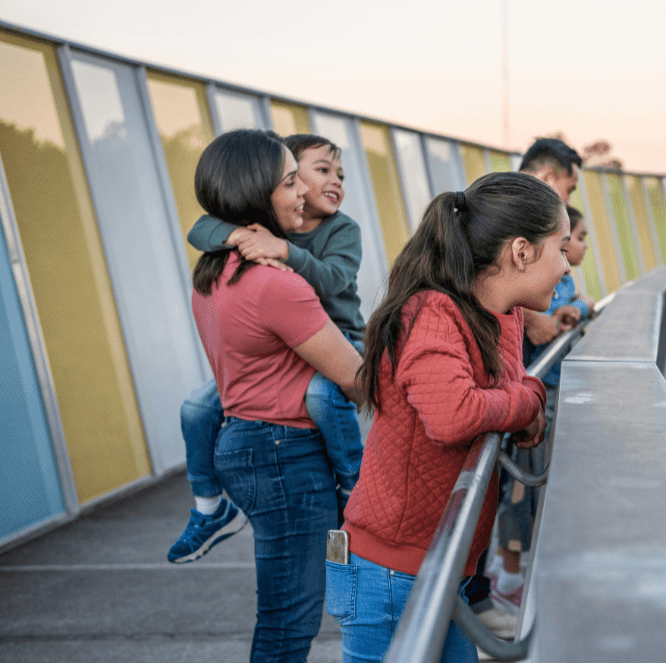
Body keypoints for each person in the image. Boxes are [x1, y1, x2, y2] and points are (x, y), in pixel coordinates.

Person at [327, 171, 569, 663]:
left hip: (438, 566)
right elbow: (456, 416)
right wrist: (528, 403)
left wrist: (519, 396)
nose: (567, 266)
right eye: (561, 248)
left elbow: (508, 388)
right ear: (521, 253)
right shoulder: (431, 312)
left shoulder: (492, 311)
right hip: (389, 572)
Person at [188, 129, 364, 661]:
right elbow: (357, 380)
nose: (301, 195)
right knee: (289, 624)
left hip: (250, 446)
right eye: (290, 182)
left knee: (289, 610)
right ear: (256, 193)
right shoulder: (278, 285)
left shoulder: (213, 277)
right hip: (286, 456)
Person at [487, 206, 594, 610]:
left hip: (537, 396)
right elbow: (551, 322)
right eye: (568, 244)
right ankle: (508, 571)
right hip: (537, 395)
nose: (570, 261)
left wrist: (578, 308)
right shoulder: (536, 292)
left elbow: (570, 309)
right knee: (520, 488)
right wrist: (575, 309)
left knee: (524, 485)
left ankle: (505, 570)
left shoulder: (556, 284)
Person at [517, 138, 583, 349]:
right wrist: (534, 320)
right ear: (547, 177)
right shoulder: (504, 215)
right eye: (569, 190)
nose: (568, 203)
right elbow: (480, 284)